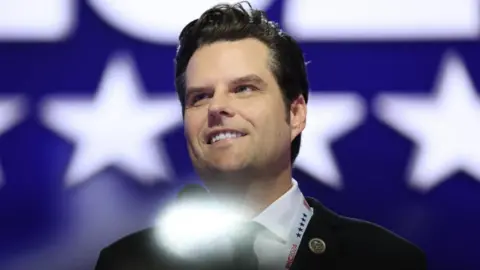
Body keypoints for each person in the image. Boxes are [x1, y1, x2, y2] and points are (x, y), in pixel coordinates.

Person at [94, 2, 427, 270]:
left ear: (295, 114)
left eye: (243, 88)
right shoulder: (129, 263)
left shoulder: (384, 260)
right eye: (200, 96)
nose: (217, 107)